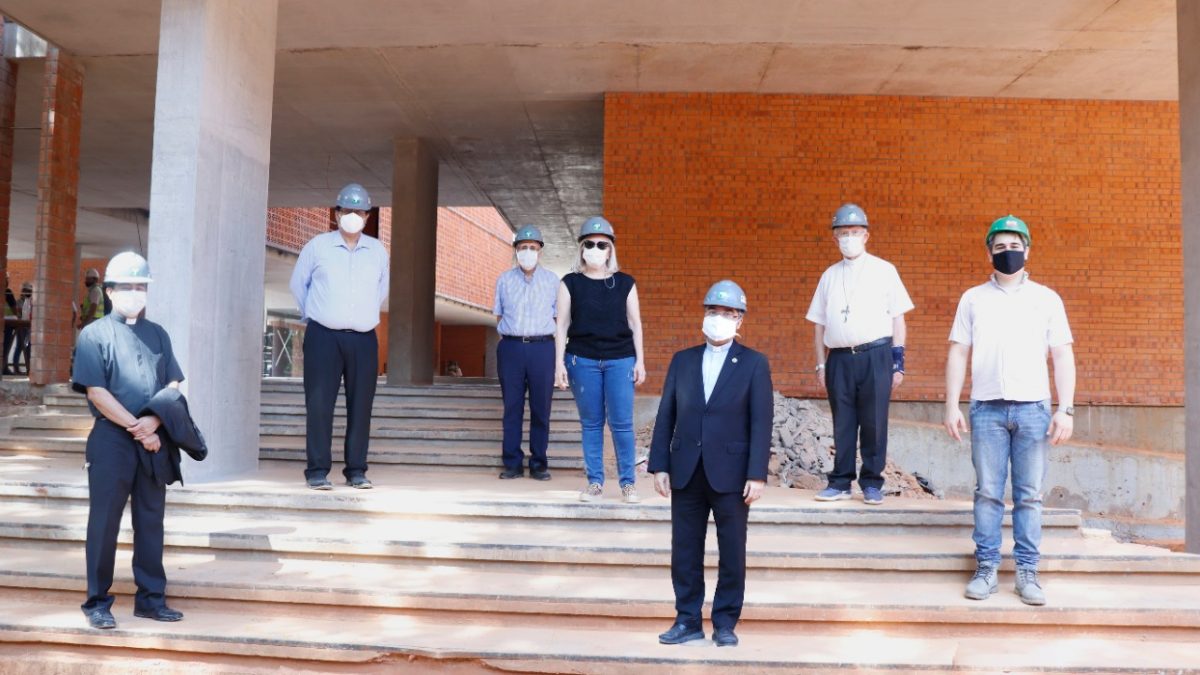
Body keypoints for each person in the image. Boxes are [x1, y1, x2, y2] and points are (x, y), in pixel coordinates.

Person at [944, 215, 1075, 607]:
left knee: (1030, 495)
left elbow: (1062, 355)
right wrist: (951, 403)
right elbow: (958, 352)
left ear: (1028, 250)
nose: (1008, 253)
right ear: (989, 252)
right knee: (987, 493)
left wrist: (1065, 409)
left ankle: (1027, 573)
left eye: (1014, 246)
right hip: (986, 410)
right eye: (1000, 247)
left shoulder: (1046, 299)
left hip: (1034, 409)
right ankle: (985, 569)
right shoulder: (972, 299)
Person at [650, 280, 772, 648]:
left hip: (733, 475)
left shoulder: (753, 363)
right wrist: (660, 464)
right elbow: (666, 413)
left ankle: (725, 622)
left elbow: (761, 421)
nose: (718, 319)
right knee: (684, 549)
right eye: (713, 312)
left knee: (732, 551)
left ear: (740, 322)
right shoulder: (682, 360)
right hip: (686, 469)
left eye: (728, 314)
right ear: (704, 316)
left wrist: (757, 474)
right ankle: (687, 619)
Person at [71, 251, 186, 630]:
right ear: (109, 290)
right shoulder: (94, 334)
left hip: (153, 439)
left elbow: (173, 383)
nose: (135, 292)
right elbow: (96, 393)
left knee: (151, 520)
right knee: (103, 522)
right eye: (127, 286)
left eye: (141, 286)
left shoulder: (158, 334)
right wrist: (138, 428)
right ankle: (97, 603)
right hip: (112, 441)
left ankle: (151, 600)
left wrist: (155, 421)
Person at [805, 203, 913, 505]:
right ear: (834, 238)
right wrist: (820, 363)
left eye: (854, 232)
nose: (848, 237)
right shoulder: (829, 275)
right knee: (842, 421)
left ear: (865, 235)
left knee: (874, 420)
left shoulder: (884, 270)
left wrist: (897, 361)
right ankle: (840, 482)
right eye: (842, 233)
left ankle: (872, 482)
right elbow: (818, 323)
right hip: (838, 357)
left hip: (875, 354)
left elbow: (898, 318)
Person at [289, 183, 389, 490]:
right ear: (337, 213)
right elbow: (298, 285)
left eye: (359, 211)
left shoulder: (377, 251)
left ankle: (356, 470)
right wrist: (319, 316)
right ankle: (317, 471)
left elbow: (381, 291)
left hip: (363, 339)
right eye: (347, 210)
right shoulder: (317, 246)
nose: (353, 216)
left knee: (361, 407)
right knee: (319, 405)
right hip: (323, 338)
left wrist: (360, 317)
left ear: (368, 215)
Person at [555, 216, 646, 503]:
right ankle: (595, 482)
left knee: (621, 424)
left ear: (610, 249)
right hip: (582, 360)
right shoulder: (570, 282)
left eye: (601, 244)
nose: (595, 249)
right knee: (592, 424)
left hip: (621, 360)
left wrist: (640, 360)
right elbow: (561, 325)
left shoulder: (625, 282)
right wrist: (559, 363)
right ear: (581, 248)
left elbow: (635, 323)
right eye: (589, 244)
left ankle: (628, 484)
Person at [493, 224, 559, 480]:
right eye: (523, 248)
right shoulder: (504, 280)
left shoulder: (552, 281)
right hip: (511, 347)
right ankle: (512, 463)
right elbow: (498, 314)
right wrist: (514, 340)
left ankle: (539, 463)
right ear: (516, 251)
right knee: (512, 407)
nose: (528, 252)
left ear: (540, 251)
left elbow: (559, 316)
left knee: (541, 408)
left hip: (543, 348)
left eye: (532, 247)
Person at [13, 281, 31, 374]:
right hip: (21, 327)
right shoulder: (19, 302)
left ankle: (29, 368)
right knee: (19, 347)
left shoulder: (31, 302)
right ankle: (16, 367)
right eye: (27, 290)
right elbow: (19, 314)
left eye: (30, 291)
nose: (28, 292)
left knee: (28, 348)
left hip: (29, 328)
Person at [2, 274, 17, 375]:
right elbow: (14, 309)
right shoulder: (7, 292)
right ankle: (4, 368)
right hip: (8, 324)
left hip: (6, 323)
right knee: (5, 346)